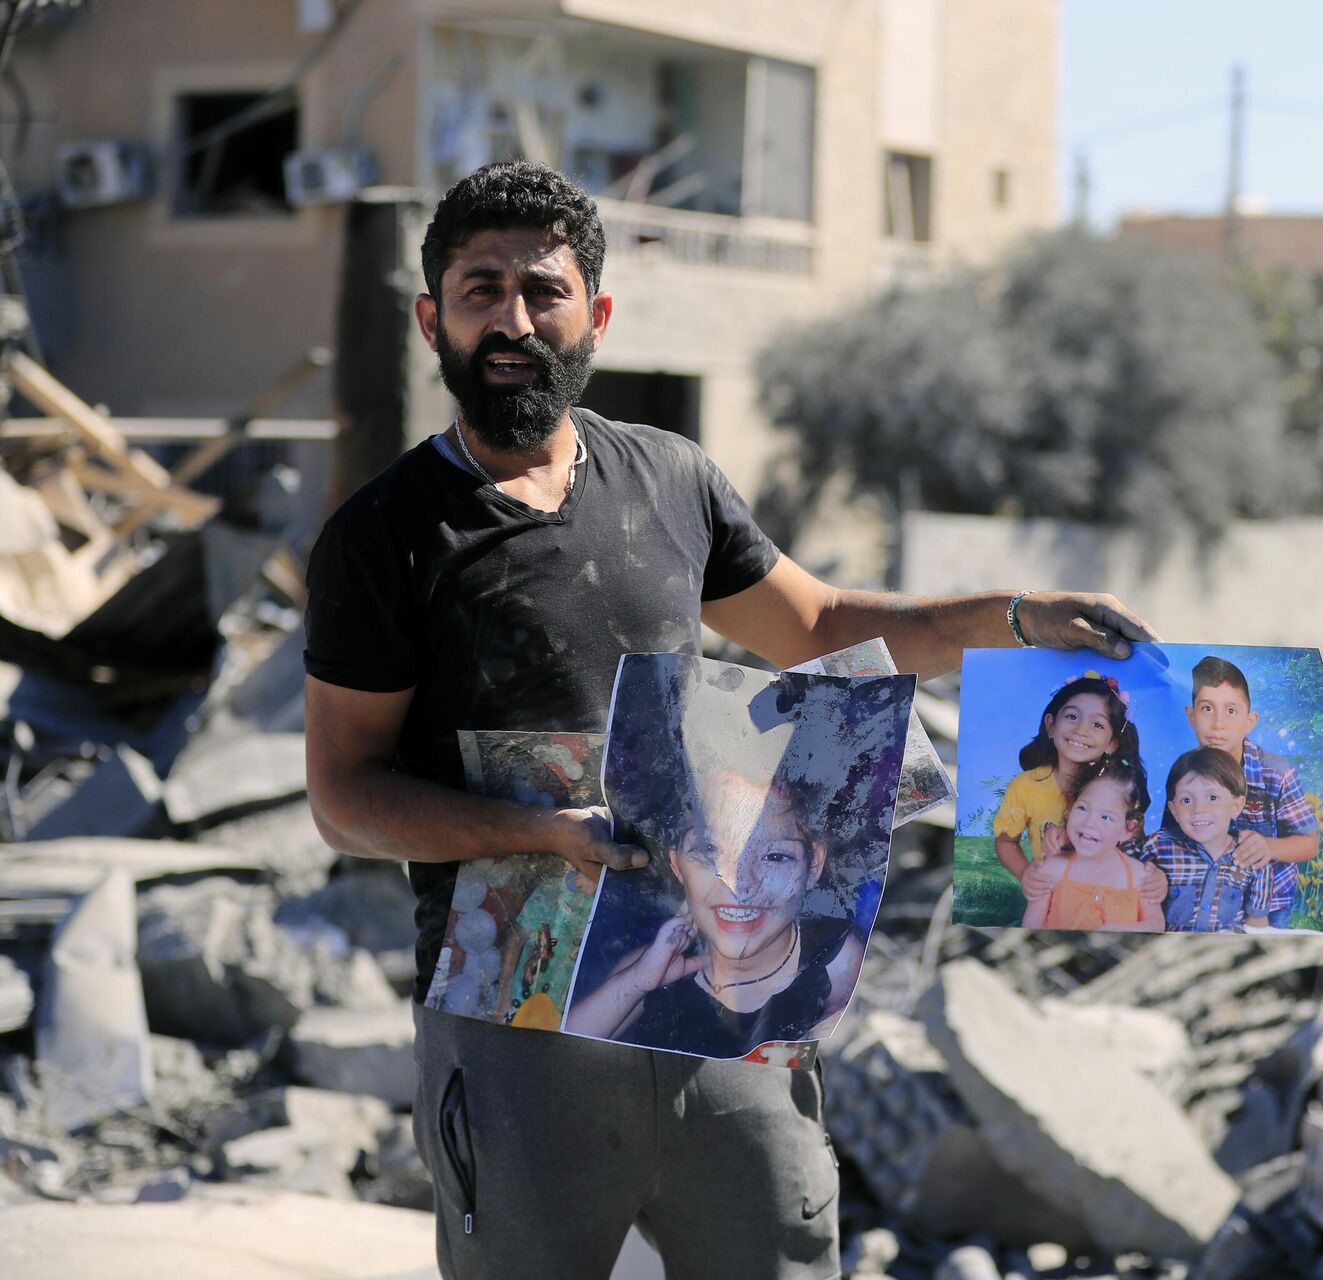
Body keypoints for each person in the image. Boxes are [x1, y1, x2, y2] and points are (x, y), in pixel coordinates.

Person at [302, 161, 1157, 1280]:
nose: (512, 318)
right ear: (433, 318)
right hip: (521, 1026)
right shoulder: (384, 536)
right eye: (480, 289)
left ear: (596, 314)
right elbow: (345, 799)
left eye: (543, 290)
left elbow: (818, 624)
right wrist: (543, 833)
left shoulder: (670, 477)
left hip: (728, 1004)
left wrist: (1014, 618)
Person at [564, 770, 863, 1057]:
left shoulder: (837, 963)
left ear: (813, 865)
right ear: (677, 864)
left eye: (774, 856)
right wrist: (636, 982)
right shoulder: (658, 965)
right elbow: (565, 1056)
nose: (740, 885)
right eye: (709, 851)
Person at [991, 673, 1138, 883]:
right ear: (1051, 725)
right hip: (1050, 899)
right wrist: (1028, 877)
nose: (1081, 730)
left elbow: (1131, 845)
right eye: (1072, 717)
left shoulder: (1119, 789)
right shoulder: (1025, 786)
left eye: (1097, 724)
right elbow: (1006, 842)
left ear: (1111, 743)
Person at [1184, 655, 1319, 870]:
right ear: (1191, 717)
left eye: (1231, 711)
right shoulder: (1184, 773)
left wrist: (1269, 847)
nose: (1218, 724)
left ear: (1250, 721)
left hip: (1269, 899)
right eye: (1207, 709)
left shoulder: (1276, 774)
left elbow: (1310, 844)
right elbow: (1170, 839)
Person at [1142, 747, 1296, 932]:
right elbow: (1111, 860)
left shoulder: (1253, 861)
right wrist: (1148, 872)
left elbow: (1257, 925)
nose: (1199, 809)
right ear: (1173, 810)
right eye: (1187, 800)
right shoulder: (1159, 845)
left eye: (1212, 797)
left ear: (1236, 806)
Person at [1020, 756, 1167, 933]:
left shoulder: (1141, 877)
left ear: (1128, 829)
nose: (1089, 823)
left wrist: (1118, 929)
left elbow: (1156, 924)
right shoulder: (1051, 870)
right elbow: (1030, 927)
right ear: (1071, 807)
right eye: (1082, 808)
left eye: (1105, 817)